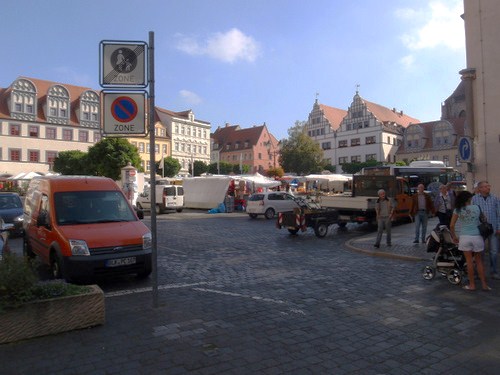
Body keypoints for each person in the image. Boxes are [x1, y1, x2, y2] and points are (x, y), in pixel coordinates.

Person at [450, 190, 491, 291]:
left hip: (465, 236)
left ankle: (472, 285)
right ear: (469, 199)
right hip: (477, 236)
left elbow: (451, 225)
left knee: (469, 262)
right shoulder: (476, 207)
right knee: (479, 261)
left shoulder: (458, 210)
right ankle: (484, 285)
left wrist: (454, 236)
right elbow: (484, 219)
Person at [471, 180, 500, 279]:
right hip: (480, 230)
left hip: (493, 229)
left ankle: (494, 271)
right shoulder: (474, 199)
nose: (488, 187)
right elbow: (472, 215)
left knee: (494, 251)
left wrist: (499, 227)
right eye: (486, 186)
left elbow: (499, 214)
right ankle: (479, 272)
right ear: (480, 189)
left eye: (489, 186)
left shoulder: (495, 198)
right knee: (479, 251)